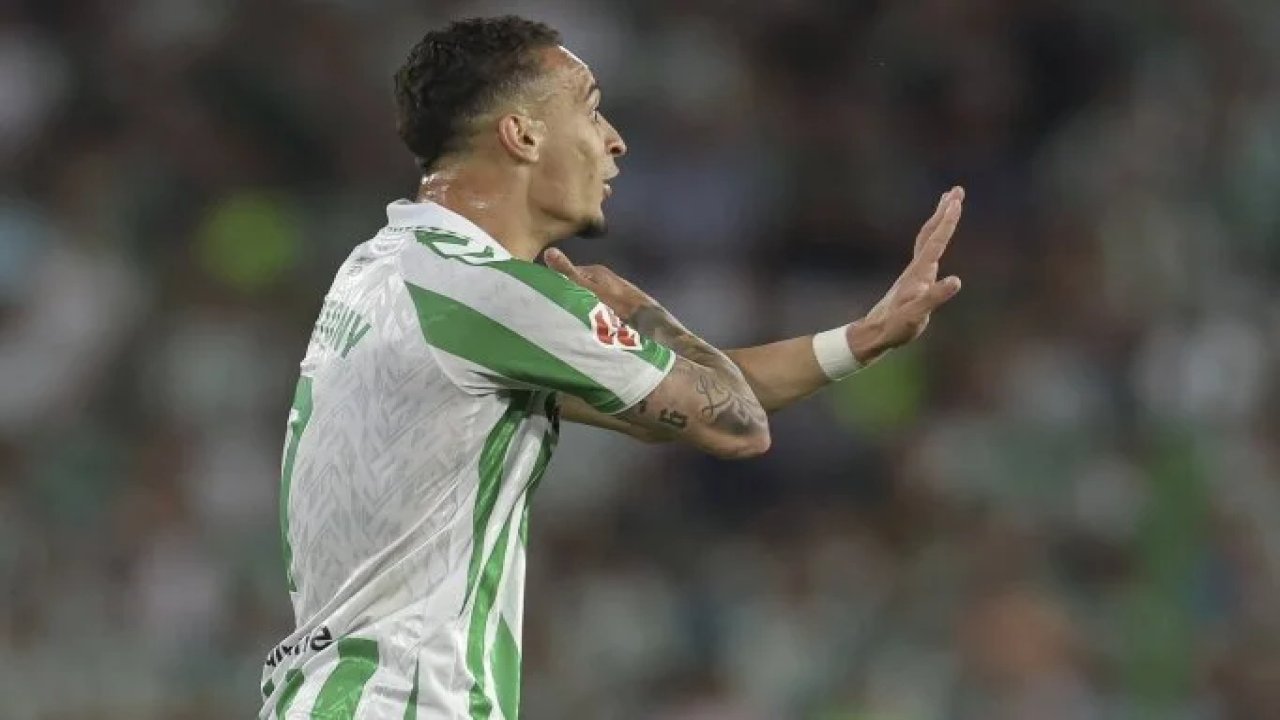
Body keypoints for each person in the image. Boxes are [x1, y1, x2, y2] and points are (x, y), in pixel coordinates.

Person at [258, 15, 964, 720]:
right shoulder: (489, 291)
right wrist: (648, 314)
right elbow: (737, 424)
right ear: (522, 134)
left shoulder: (383, 268)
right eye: (591, 110)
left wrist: (860, 340)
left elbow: (667, 402)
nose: (615, 139)